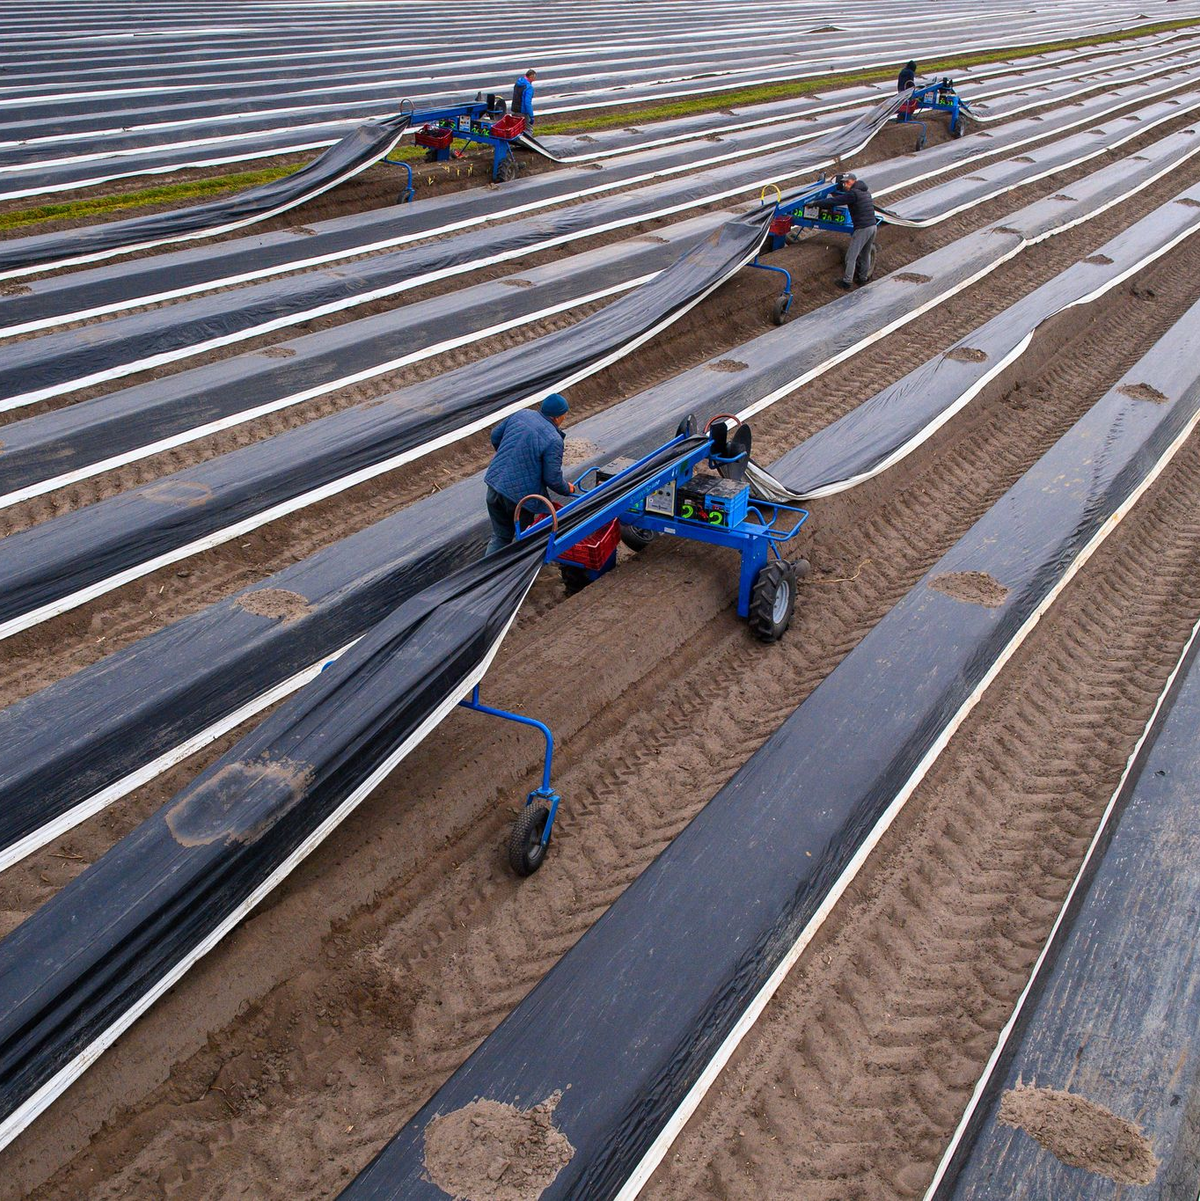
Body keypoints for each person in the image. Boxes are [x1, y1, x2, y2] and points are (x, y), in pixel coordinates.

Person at [484, 392, 574, 555]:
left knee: (500, 537)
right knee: (524, 540)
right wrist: (568, 489)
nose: (564, 418)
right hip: (520, 499)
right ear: (556, 417)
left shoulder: (521, 414)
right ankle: (521, 575)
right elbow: (552, 478)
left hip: (494, 484)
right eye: (564, 415)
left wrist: (509, 457)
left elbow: (495, 436)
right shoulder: (554, 439)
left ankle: (487, 576)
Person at [820, 172, 877, 290]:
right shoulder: (865, 192)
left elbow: (835, 202)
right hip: (873, 226)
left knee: (851, 257)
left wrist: (816, 204)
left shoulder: (853, 193)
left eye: (846, 182)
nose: (845, 185)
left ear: (853, 181)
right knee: (865, 254)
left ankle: (847, 282)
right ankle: (862, 278)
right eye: (843, 183)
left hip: (863, 228)